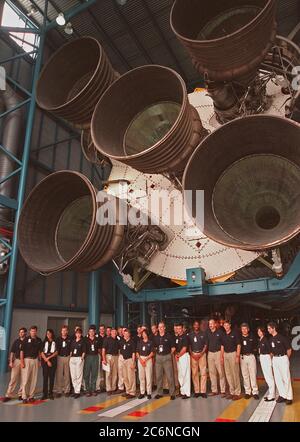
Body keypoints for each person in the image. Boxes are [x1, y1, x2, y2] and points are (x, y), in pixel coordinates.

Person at [267, 322, 293, 405]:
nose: (268, 330)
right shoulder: (270, 339)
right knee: (278, 378)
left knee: (286, 378)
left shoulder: (282, 338)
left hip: (283, 358)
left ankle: (289, 397)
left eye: (269, 328)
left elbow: (289, 350)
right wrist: (272, 360)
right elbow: (271, 351)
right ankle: (282, 395)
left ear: (274, 328)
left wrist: (285, 359)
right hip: (275, 359)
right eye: (268, 328)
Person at [2, 327, 27, 402]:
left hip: (25, 361)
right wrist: (10, 361)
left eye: (22, 332)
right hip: (17, 361)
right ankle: (8, 395)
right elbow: (12, 352)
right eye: (20, 332)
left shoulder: (27, 341)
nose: (21, 333)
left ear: (25, 333)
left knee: (23, 379)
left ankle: (20, 394)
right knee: (13, 379)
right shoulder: (16, 341)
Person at [153, 321, 176, 400]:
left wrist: (169, 355)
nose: (160, 329)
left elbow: (173, 348)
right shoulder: (156, 337)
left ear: (164, 327)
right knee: (159, 376)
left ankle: (172, 393)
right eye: (159, 327)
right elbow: (155, 347)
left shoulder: (169, 336)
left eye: (162, 327)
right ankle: (159, 393)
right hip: (158, 358)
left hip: (167, 357)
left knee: (169, 376)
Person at [20, 325, 42, 403]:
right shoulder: (26, 339)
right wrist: (22, 362)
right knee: (25, 379)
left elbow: (40, 351)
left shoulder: (39, 340)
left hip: (35, 360)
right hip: (27, 360)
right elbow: (22, 351)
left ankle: (31, 396)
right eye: (32, 331)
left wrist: (39, 361)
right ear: (30, 332)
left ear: (36, 332)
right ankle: (24, 397)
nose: (33, 332)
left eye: (35, 331)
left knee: (34, 379)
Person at [221, 320, 242, 400]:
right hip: (226, 355)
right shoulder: (223, 335)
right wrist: (222, 357)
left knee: (235, 373)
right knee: (228, 374)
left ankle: (237, 392)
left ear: (230, 325)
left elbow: (238, 345)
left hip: (233, 354)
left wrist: (237, 356)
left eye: (227, 325)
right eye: (225, 325)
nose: (226, 327)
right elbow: (222, 346)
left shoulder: (235, 333)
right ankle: (232, 392)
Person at [207, 318, 226, 397]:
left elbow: (223, 345)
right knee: (212, 373)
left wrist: (221, 356)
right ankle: (214, 390)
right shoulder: (207, 333)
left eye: (212, 323)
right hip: (210, 353)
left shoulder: (220, 332)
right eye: (209, 324)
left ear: (215, 324)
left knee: (221, 372)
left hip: (218, 353)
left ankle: (223, 390)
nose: (210, 325)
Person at [188, 320, 208, 398]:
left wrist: (201, 354)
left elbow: (206, 345)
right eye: (195, 325)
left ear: (199, 326)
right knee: (194, 373)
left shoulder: (203, 334)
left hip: (201, 354)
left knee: (203, 373)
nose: (196, 326)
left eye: (197, 325)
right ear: (193, 326)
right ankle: (197, 391)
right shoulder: (190, 335)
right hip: (193, 355)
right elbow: (189, 346)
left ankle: (203, 391)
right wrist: (192, 354)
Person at [240, 323, 259, 399]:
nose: (244, 330)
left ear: (248, 329)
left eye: (245, 329)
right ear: (241, 330)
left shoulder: (252, 337)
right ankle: (248, 391)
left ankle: (255, 392)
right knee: (245, 375)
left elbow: (256, 346)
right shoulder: (239, 338)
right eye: (242, 329)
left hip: (251, 356)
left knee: (253, 374)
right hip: (243, 357)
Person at [257, 326, 275, 402]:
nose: (259, 333)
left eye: (260, 331)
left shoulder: (265, 340)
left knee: (269, 376)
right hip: (262, 357)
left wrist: (270, 361)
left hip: (266, 358)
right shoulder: (260, 340)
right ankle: (271, 393)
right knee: (267, 376)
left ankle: (272, 395)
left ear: (263, 332)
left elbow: (270, 351)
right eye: (258, 331)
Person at [84, 326, 102, 396]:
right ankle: (87, 389)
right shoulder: (85, 339)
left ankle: (93, 389)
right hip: (88, 357)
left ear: (94, 332)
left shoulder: (97, 339)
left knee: (94, 373)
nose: (91, 333)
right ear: (88, 332)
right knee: (87, 373)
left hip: (95, 356)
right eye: (90, 332)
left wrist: (101, 357)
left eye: (93, 332)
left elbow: (99, 349)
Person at [136, 329, 154, 399]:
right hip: (140, 359)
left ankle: (149, 392)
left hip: (148, 359)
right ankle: (142, 392)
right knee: (141, 377)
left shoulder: (150, 342)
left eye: (145, 333)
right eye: (142, 334)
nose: (144, 335)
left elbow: (152, 352)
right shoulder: (139, 342)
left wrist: (146, 359)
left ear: (147, 334)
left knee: (148, 377)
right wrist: (140, 360)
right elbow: (137, 352)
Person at [175, 323, 191, 399]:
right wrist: (176, 355)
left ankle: (187, 393)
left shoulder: (185, 337)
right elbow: (176, 348)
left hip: (184, 356)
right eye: (177, 328)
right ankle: (182, 391)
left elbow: (184, 348)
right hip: (179, 357)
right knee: (180, 375)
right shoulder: (177, 337)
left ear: (182, 329)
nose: (178, 330)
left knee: (185, 375)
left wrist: (178, 355)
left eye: (179, 328)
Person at [55, 325, 72, 398]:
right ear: (61, 331)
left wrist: (70, 357)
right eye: (63, 330)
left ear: (67, 331)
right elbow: (56, 349)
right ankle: (59, 391)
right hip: (60, 357)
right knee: (59, 375)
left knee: (67, 375)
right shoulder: (58, 339)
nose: (64, 332)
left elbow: (71, 349)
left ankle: (67, 390)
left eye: (65, 330)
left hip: (67, 357)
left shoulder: (70, 339)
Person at [41, 329, 57, 400]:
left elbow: (56, 352)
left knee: (52, 378)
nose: (48, 335)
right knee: (45, 378)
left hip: (53, 361)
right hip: (45, 361)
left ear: (52, 334)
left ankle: (50, 393)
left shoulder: (55, 342)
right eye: (47, 333)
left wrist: (49, 358)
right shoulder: (44, 342)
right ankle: (44, 394)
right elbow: (41, 352)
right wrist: (47, 360)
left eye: (50, 333)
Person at [69, 327, 86, 399]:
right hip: (72, 358)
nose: (78, 335)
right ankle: (75, 390)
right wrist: (70, 358)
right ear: (75, 334)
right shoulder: (73, 341)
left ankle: (78, 391)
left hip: (79, 358)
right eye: (77, 333)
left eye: (79, 333)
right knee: (73, 376)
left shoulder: (82, 341)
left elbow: (84, 351)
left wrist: (81, 358)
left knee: (78, 375)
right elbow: (71, 350)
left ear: (81, 334)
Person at [102, 328, 119, 395]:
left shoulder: (117, 340)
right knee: (108, 374)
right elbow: (103, 350)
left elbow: (119, 350)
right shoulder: (107, 339)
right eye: (113, 332)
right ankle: (108, 389)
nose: (114, 333)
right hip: (108, 357)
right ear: (110, 333)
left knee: (115, 373)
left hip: (116, 357)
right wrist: (104, 359)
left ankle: (113, 388)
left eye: (115, 332)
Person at [120, 329, 136, 398]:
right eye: (124, 334)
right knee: (125, 377)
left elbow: (133, 353)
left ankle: (132, 392)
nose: (125, 335)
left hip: (130, 360)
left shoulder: (132, 342)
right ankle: (128, 391)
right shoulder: (122, 341)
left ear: (129, 334)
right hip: (123, 360)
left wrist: (133, 362)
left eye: (127, 334)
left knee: (131, 377)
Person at [96, 324, 106, 393]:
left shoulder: (106, 337)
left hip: (105, 357)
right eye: (101, 329)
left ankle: (105, 386)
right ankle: (99, 386)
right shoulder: (97, 337)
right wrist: (101, 355)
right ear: (99, 330)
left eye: (103, 329)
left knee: (105, 372)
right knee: (99, 372)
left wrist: (104, 357)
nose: (102, 330)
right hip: (99, 356)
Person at [116, 326, 125, 394]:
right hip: (120, 355)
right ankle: (121, 387)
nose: (121, 331)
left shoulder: (125, 337)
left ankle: (127, 387)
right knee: (120, 372)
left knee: (126, 372)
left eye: (122, 330)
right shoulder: (116, 338)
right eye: (119, 330)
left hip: (127, 356)